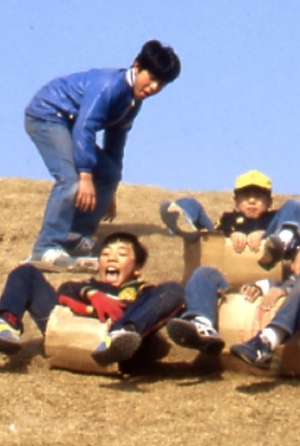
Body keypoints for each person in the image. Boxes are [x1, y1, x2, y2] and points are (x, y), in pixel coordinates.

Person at [23, 40, 181, 272]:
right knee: (70, 180)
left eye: (162, 83)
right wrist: (86, 175)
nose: (154, 87)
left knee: (110, 173)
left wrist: (109, 189)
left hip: (70, 124)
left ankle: (75, 238)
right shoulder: (109, 86)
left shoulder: (133, 102)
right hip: (48, 116)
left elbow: (115, 143)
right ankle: (45, 248)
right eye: (152, 78)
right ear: (137, 66)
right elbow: (85, 127)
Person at [0, 232, 184, 370]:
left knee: (173, 289)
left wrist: (125, 318)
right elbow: (65, 291)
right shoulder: (89, 285)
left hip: (120, 338)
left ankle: (122, 335)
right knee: (26, 272)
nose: (112, 258)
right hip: (69, 327)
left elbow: (166, 304)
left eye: (122, 254)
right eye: (106, 254)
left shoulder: (145, 292)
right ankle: (6, 325)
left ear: (137, 269)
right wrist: (93, 296)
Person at [166, 234, 300, 374]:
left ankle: (267, 341)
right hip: (248, 328)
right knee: (206, 273)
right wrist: (255, 288)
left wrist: (287, 292)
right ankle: (203, 326)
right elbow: (248, 291)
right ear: (292, 264)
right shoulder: (272, 284)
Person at [159, 169, 300, 269]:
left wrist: (265, 235)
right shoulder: (229, 218)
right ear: (236, 201)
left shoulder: (274, 218)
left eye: (259, 196)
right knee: (190, 202)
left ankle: (281, 242)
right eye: (246, 196)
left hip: (267, 249)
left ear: (269, 201)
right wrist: (231, 235)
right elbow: (217, 235)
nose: (252, 201)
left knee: (295, 205)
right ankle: (183, 222)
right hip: (226, 254)